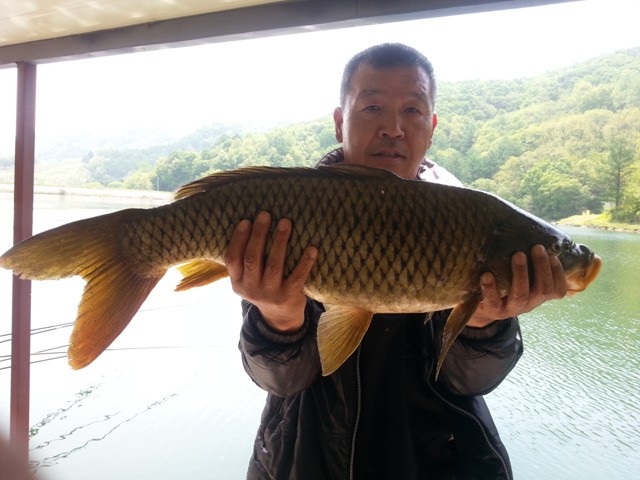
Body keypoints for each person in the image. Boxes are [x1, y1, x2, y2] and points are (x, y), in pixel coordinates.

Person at [226, 43, 567, 479]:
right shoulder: (292, 213)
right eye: (372, 107)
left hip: (442, 461)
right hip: (305, 459)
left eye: (412, 110)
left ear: (431, 126)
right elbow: (280, 382)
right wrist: (279, 317)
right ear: (339, 122)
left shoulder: (471, 223)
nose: (393, 128)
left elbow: (471, 382)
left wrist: (483, 322)